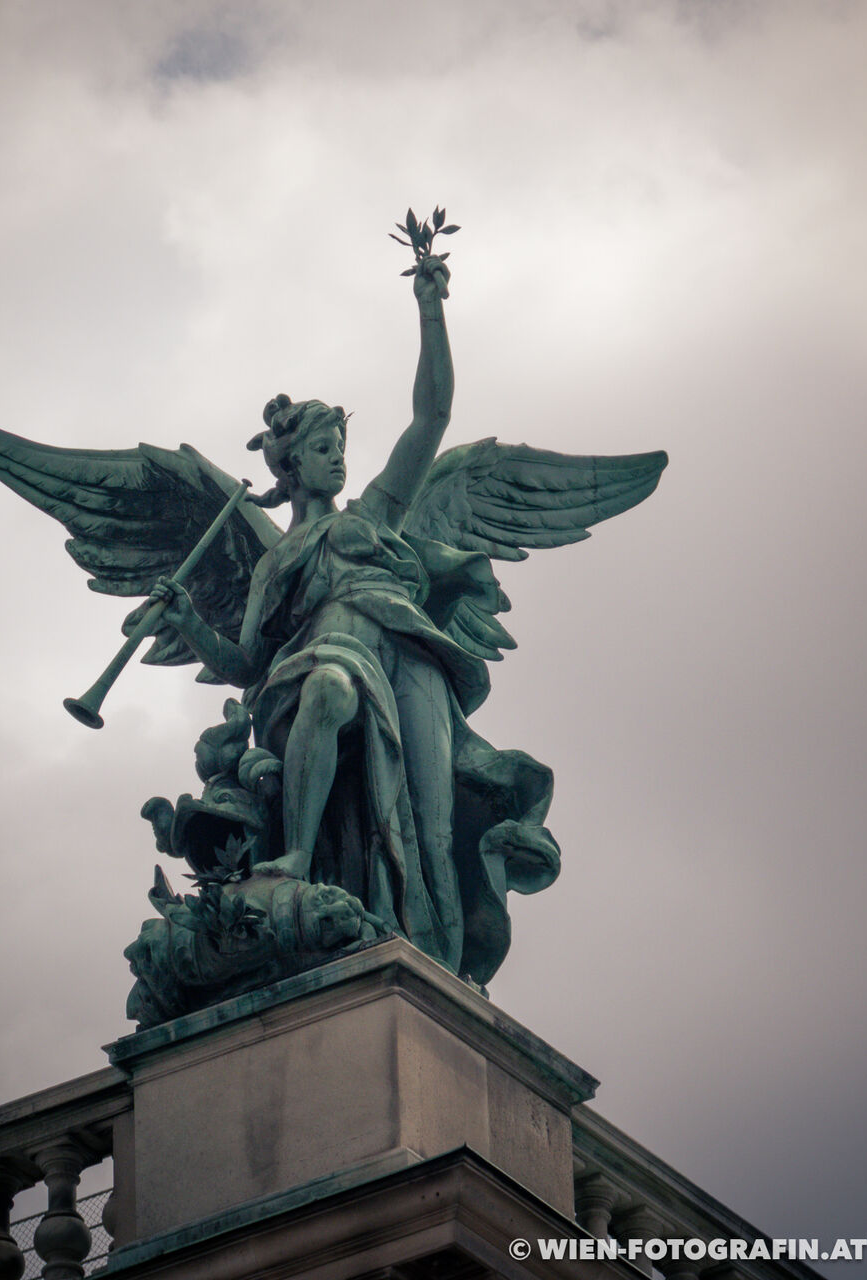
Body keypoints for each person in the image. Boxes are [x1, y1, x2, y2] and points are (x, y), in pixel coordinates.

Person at [142, 254, 559, 979]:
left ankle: (441, 976)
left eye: (342, 449)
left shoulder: (374, 516)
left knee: (431, 837)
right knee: (331, 686)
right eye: (325, 450)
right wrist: (188, 621)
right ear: (292, 464)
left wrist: (431, 308)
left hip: (410, 672)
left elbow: (432, 417)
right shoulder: (272, 562)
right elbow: (244, 665)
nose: (340, 461)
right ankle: (297, 857)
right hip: (316, 675)